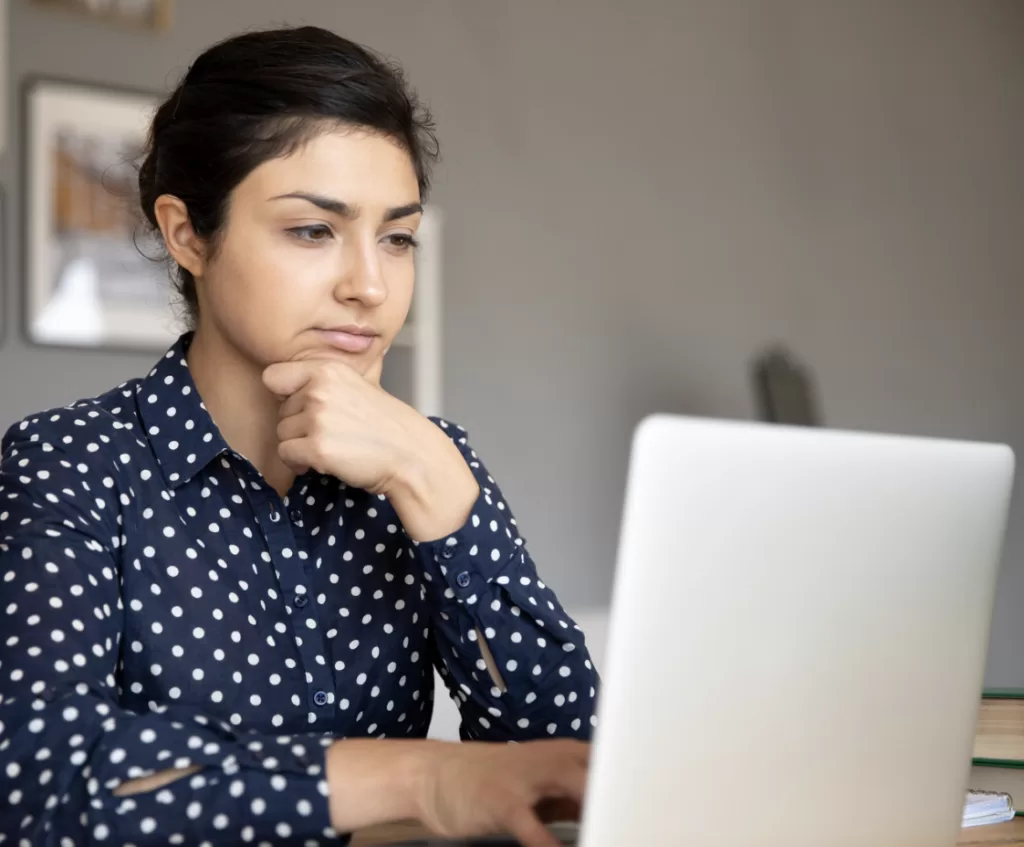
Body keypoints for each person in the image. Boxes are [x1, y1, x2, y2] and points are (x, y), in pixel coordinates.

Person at [0, 26, 598, 846]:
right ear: (187, 235)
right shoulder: (71, 465)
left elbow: (575, 771)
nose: (370, 285)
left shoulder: (422, 457)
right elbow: (42, 784)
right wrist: (421, 777)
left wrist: (437, 484)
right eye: (313, 231)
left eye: (397, 236)